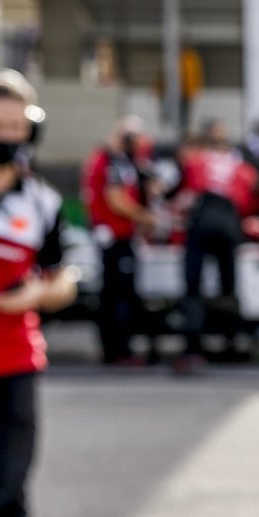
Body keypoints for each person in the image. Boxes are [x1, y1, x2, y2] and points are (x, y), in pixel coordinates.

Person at [0, 69, 76, 517]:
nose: (6, 136)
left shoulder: (43, 203)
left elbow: (63, 279)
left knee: (10, 497)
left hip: (12, 366)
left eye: (17, 126)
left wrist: (39, 294)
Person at [173, 119, 257, 374]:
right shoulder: (241, 167)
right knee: (228, 285)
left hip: (203, 218)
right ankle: (231, 343)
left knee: (193, 286)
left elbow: (183, 194)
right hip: (229, 222)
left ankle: (192, 347)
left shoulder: (197, 161)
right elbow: (248, 199)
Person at [81, 115, 156, 366]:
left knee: (113, 295)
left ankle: (114, 349)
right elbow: (116, 199)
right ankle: (118, 350)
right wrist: (145, 217)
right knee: (120, 295)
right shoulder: (111, 162)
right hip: (116, 238)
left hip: (113, 237)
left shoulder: (113, 160)